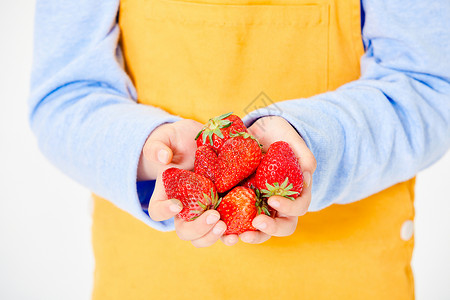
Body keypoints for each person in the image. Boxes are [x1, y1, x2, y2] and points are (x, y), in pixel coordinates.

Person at [29, 0, 450, 299]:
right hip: (151, 281)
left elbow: (431, 89)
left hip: (348, 279)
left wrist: (310, 141)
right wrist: (146, 151)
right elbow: (65, 94)